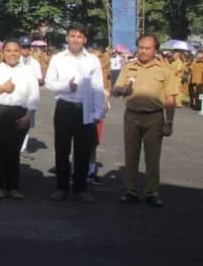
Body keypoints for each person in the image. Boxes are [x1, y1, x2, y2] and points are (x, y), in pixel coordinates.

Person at [112, 34, 179, 207]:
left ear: (155, 50)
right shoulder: (128, 67)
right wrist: (122, 91)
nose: (143, 51)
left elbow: (170, 98)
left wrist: (169, 122)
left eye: (147, 48)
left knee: (152, 157)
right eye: (140, 47)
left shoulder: (165, 69)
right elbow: (116, 89)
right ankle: (130, 191)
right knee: (131, 155)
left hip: (154, 117)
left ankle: (152, 192)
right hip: (132, 116)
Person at [45, 24, 105, 203]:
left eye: (79, 36)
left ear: (84, 39)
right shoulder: (58, 59)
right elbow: (49, 82)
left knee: (83, 150)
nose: (76, 39)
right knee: (62, 149)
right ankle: (61, 188)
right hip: (64, 107)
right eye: (72, 36)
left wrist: (98, 112)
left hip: (85, 108)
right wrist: (66, 86)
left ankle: (80, 188)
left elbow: (98, 87)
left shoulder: (92, 60)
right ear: (67, 38)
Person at [0, 40, 40, 199]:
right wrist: (1, 88)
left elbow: (34, 95)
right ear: (3, 53)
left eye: (15, 51)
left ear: (19, 53)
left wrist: (28, 116)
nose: (12, 54)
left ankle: (13, 187)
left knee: (14, 151)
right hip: (0, 111)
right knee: (1, 149)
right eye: (9, 51)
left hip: (21, 112)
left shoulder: (27, 71)